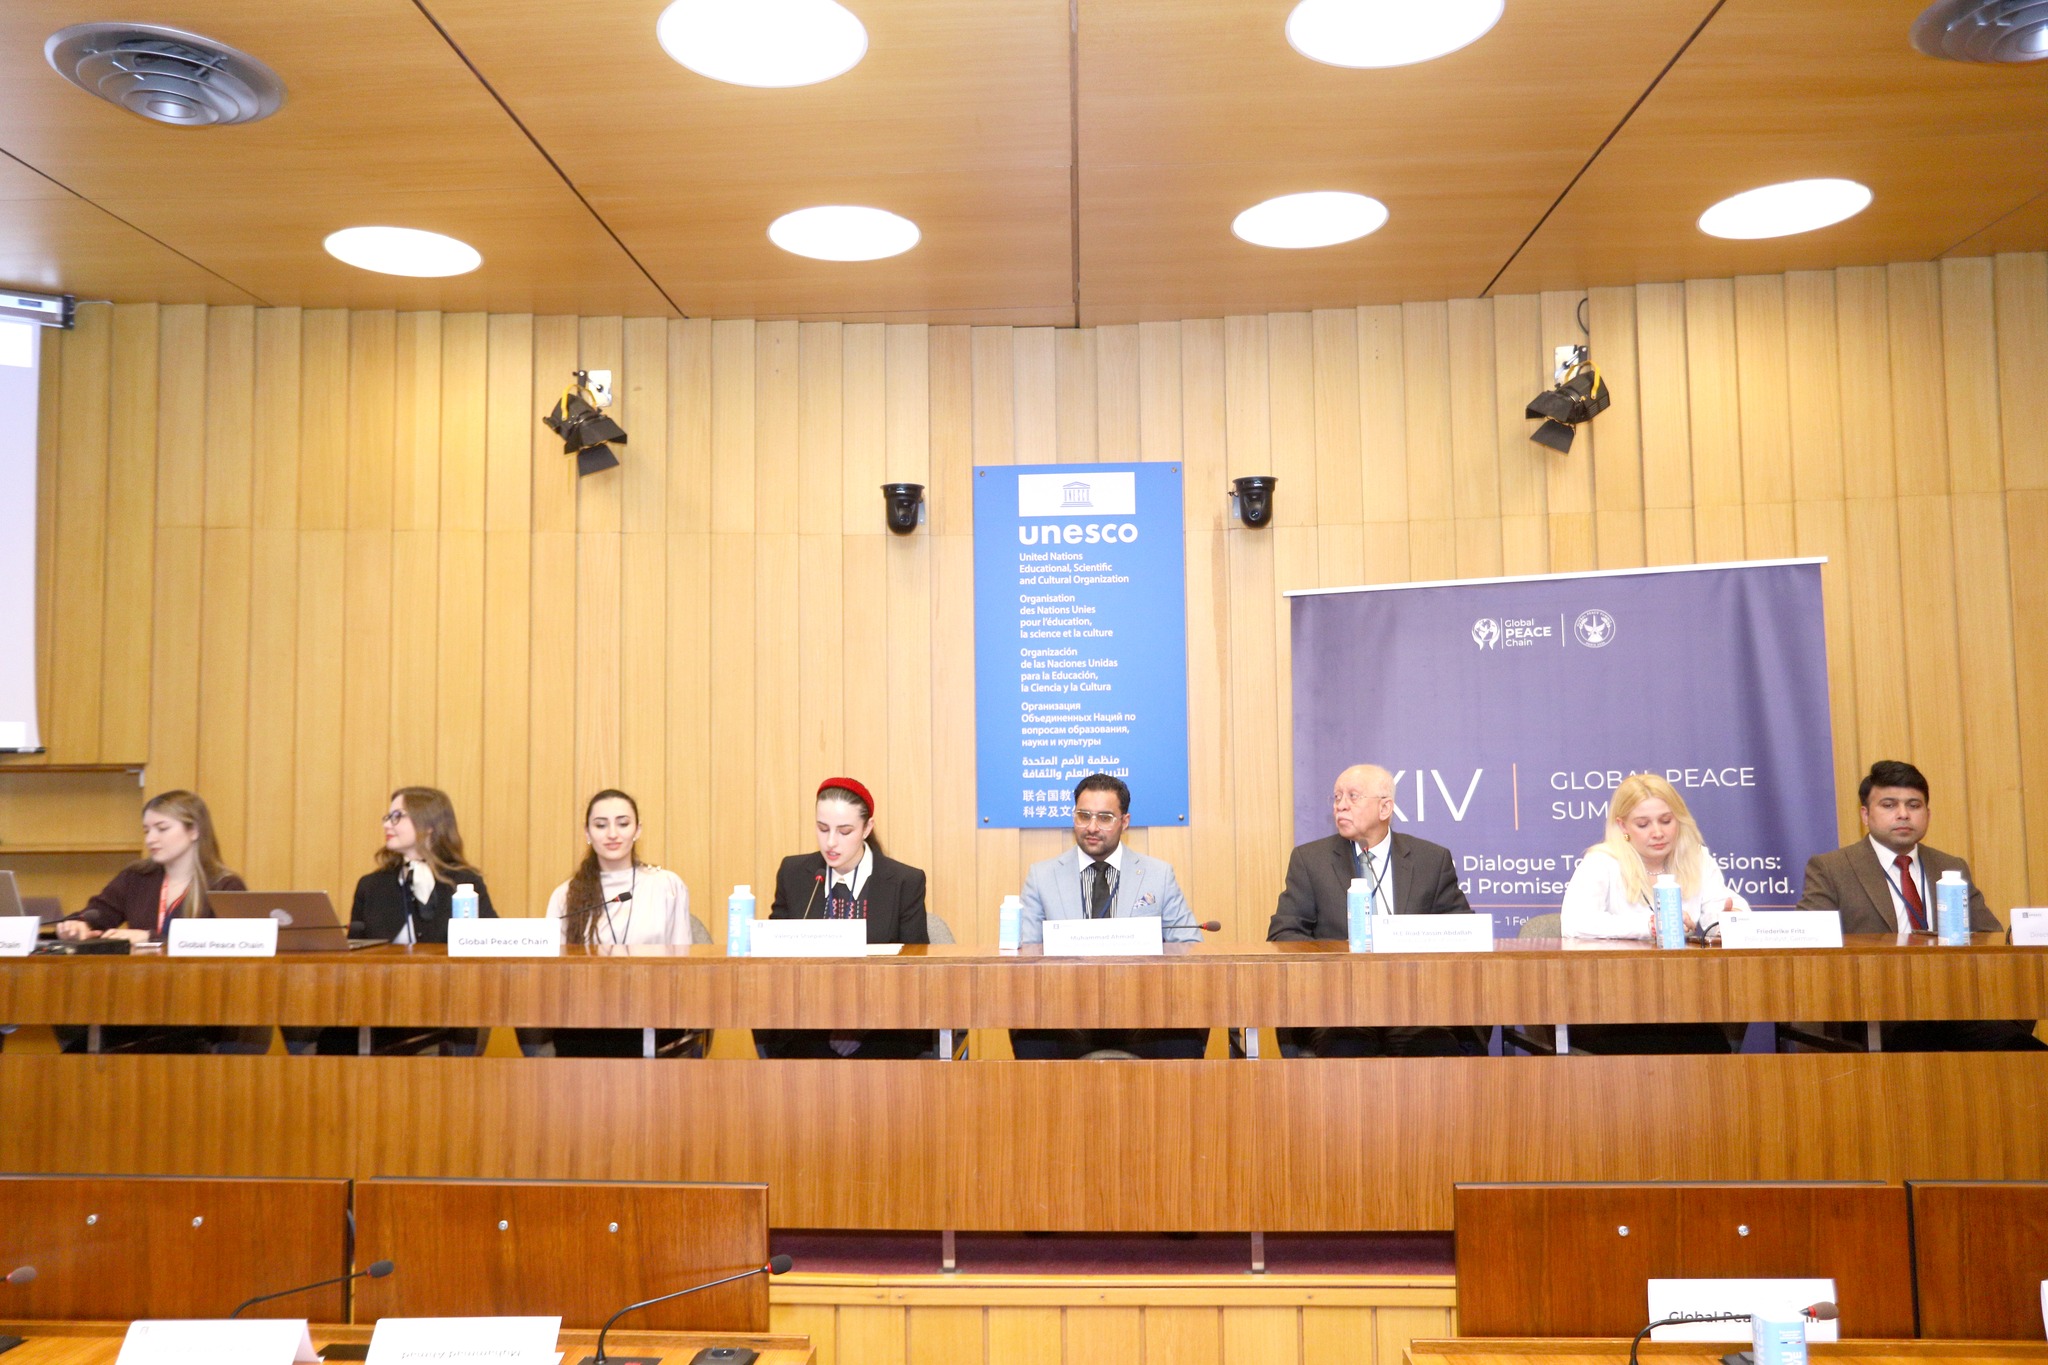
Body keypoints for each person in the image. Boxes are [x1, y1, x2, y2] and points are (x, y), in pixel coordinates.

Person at [1795, 759, 2042, 1052]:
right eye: (1888, 805)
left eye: (1914, 805)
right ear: (1865, 814)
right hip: (1876, 1009)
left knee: (2023, 1050)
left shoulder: (1950, 866)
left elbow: (1988, 933)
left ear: (1927, 813)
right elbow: (1808, 944)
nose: (1903, 814)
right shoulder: (1831, 868)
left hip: (1953, 1006)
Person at [1266, 763, 1481, 1057]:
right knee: (1346, 1046)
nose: (1340, 806)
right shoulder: (1310, 860)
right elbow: (1284, 933)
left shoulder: (1431, 859)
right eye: (1337, 797)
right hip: (1340, 1008)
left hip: (1415, 1004)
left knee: (1433, 1046)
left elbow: (1463, 932)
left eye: (1353, 797)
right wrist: (1337, 962)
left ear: (1385, 808)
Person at [1013, 773, 1204, 1059]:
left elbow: (1190, 944)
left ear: (1124, 822)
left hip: (1144, 1016)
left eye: (1104, 818)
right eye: (1083, 815)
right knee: (1029, 1035)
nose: (1092, 827)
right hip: (1064, 1017)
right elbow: (1026, 953)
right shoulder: (1042, 877)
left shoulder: (1157, 875)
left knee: (1186, 1035)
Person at [1557, 772, 1748, 1054]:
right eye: (1643, 824)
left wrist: (1730, 920)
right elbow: (1575, 923)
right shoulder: (1602, 862)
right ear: (1622, 825)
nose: (1657, 832)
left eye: (1666, 821)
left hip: (1684, 1002)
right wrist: (1648, 925)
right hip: (1614, 1005)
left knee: (1710, 1046)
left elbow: (1714, 913)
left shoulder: (1697, 857)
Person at [54, 790, 249, 1053]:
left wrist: (149, 938)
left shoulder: (225, 885)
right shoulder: (137, 876)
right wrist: (80, 924)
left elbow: (230, 945)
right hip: (135, 1001)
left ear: (194, 831)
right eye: (147, 830)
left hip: (195, 1008)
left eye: (162, 828)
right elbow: (100, 912)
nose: (151, 839)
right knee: (75, 1054)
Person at [759, 778, 928, 1059]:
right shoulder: (794, 873)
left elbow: (914, 972)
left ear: (867, 828)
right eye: (822, 828)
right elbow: (775, 961)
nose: (831, 842)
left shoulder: (903, 881)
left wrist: (861, 1026)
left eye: (844, 831)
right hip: (805, 1025)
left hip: (883, 1029)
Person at [323, 786, 497, 1055]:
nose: (387, 824)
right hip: (381, 1005)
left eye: (398, 816)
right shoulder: (372, 886)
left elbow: (492, 941)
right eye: (387, 816)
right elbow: (354, 951)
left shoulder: (465, 881)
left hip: (448, 1003)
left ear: (429, 825)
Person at [532, 789, 703, 1058]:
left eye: (623, 823)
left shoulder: (667, 885)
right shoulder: (566, 895)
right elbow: (553, 975)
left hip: (651, 1014)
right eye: (601, 825)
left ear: (637, 830)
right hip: (585, 1018)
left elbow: (681, 967)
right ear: (587, 833)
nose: (613, 833)